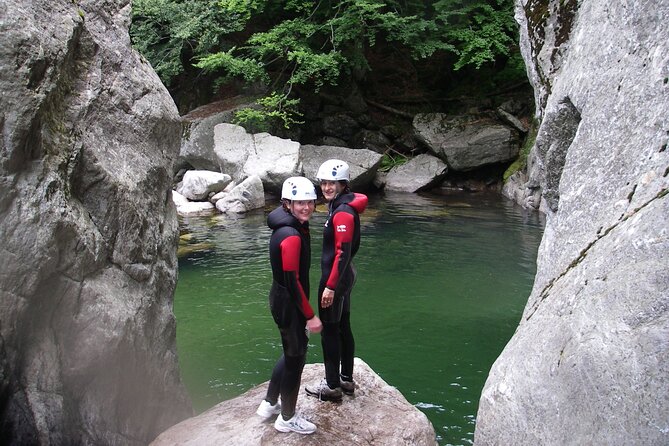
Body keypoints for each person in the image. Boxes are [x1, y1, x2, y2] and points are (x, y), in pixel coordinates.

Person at [256, 176, 323, 434]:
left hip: (281, 298)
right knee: (296, 359)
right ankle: (287, 417)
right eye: (299, 203)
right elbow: (293, 281)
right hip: (290, 303)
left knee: (291, 351)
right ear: (287, 203)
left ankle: (270, 403)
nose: (306, 207)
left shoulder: (286, 225)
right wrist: (310, 315)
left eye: (309, 202)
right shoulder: (292, 235)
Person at [305, 160, 368, 402]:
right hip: (344, 277)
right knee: (343, 326)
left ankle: (332, 386)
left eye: (332, 183)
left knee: (330, 330)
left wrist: (330, 286)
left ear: (343, 184)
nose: (326, 187)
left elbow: (341, 252)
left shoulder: (342, 212)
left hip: (336, 279)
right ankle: (346, 379)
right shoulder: (339, 205)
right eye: (323, 182)